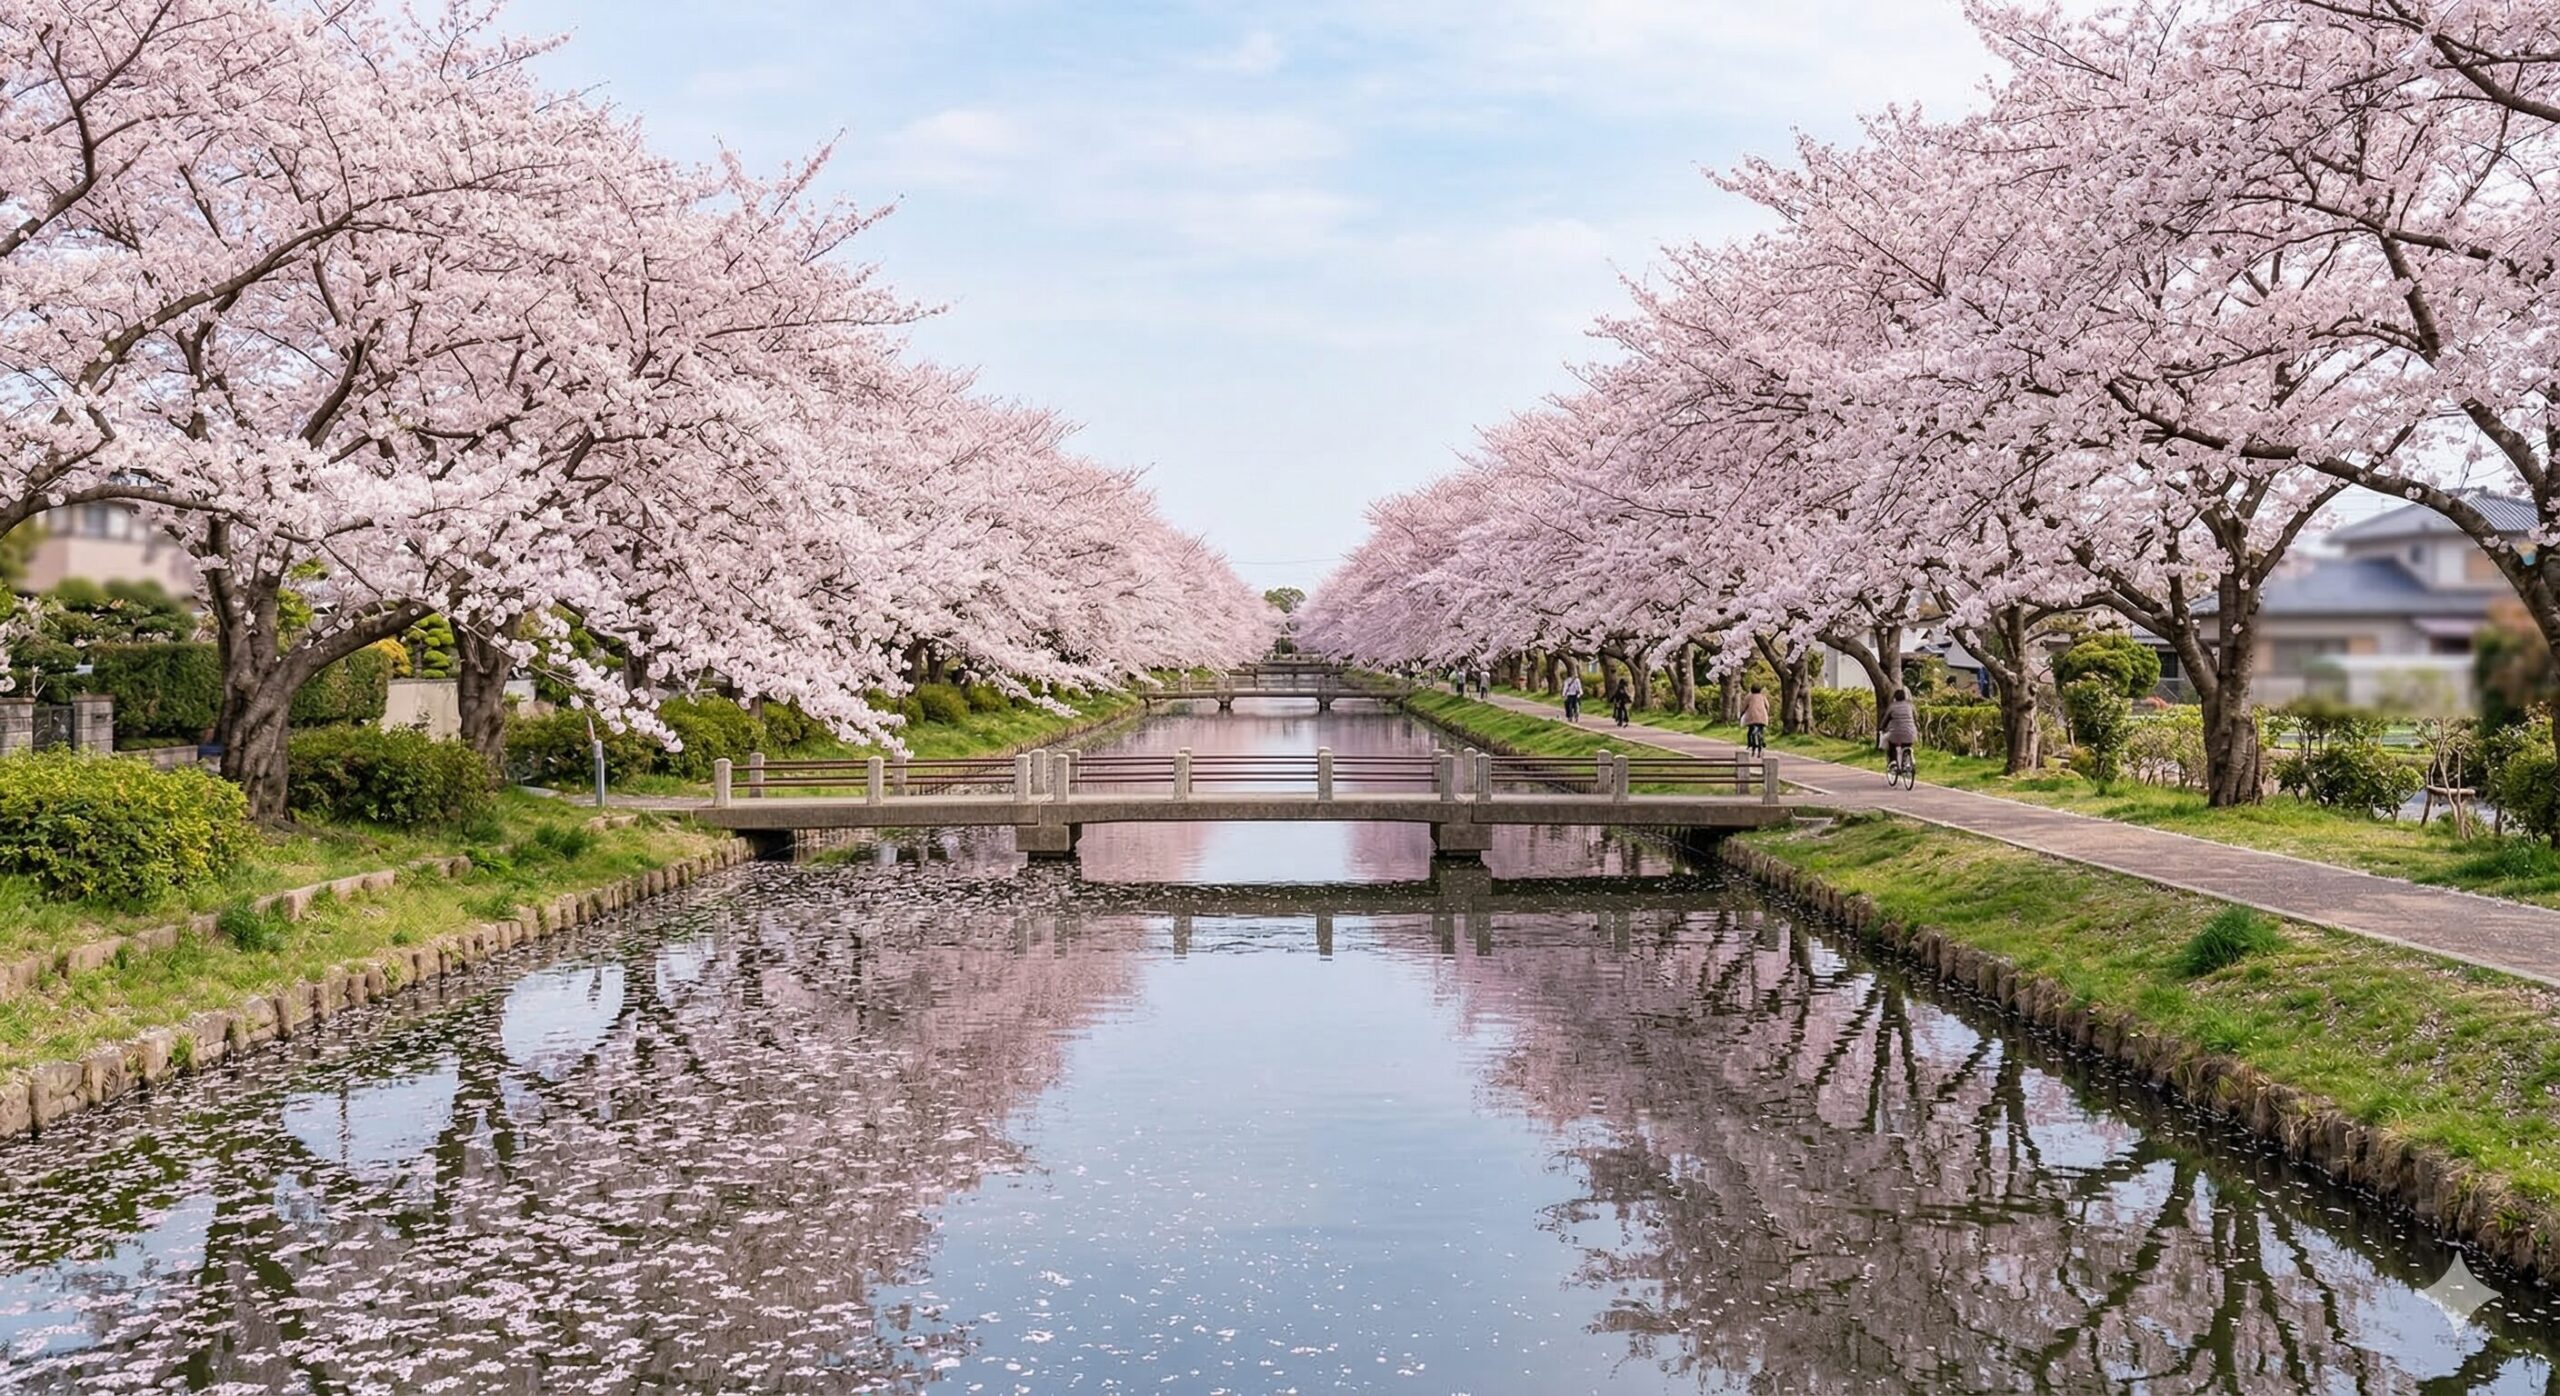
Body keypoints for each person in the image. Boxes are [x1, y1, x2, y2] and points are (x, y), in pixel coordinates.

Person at [1882, 687, 1919, 779]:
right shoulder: (1910, 705)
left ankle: (1893, 762)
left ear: (1895, 698)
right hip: (1910, 732)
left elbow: (1885, 719)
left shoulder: (1892, 706)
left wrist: (1882, 727)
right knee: (1907, 745)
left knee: (1892, 745)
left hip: (1896, 733)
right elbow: (1916, 717)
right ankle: (1909, 760)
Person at [1740, 684, 1769, 755]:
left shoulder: (1749, 697)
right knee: (1761, 730)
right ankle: (1762, 741)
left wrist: (1742, 714)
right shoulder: (1763, 696)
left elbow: (1744, 707)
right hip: (1762, 716)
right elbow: (1767, 706)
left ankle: (1750, 744)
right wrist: (1767, 712)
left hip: (1752, 717)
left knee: (1750, 731)